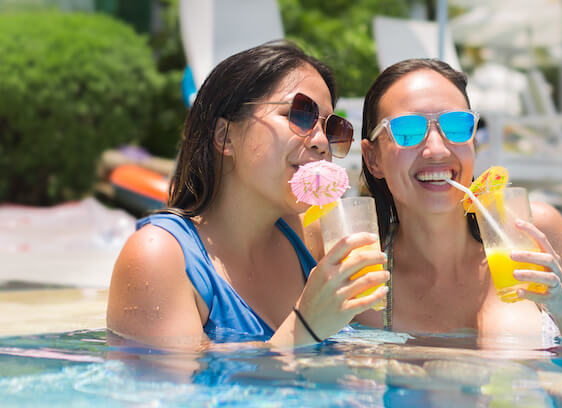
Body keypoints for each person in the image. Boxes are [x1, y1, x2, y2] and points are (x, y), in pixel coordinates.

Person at [107, 41, 389, 350]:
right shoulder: (159, 255)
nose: (322, 142)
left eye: (332, 127)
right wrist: (305, 326)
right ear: (224, 136)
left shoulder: (303, 235)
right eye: (299, 114)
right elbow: (180, 392)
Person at [355, 59, 562, 340]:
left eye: (457, 125)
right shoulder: (361, 272)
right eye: (408, 130)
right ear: (373, 158)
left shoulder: (533, 233)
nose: (436, 149)